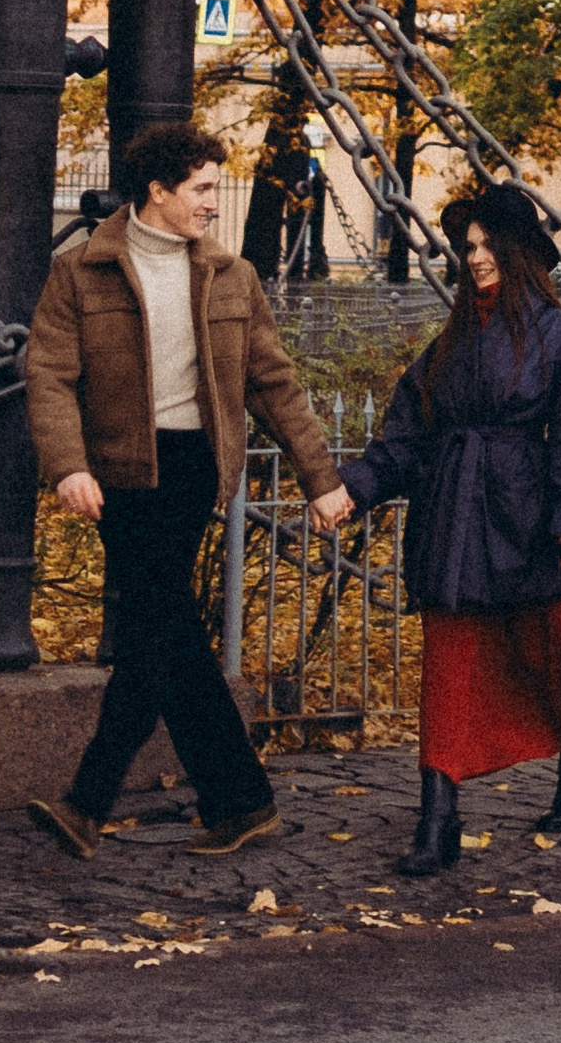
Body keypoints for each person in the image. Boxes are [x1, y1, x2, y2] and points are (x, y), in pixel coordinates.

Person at [23, 118, 353, 859]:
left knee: (155, 627)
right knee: (164, 636)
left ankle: (89, 802)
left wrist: (321, 479)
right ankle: (238, 800)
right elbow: (49, 377)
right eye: (201, 189)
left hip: (194, 470)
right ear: (158, 190)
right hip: (119, 473)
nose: (212, 202)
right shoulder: (81, 272)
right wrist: (69, 464)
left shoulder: (230, 275)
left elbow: (275, 384)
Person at [340, 183, 561, 877]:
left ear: (518, 252)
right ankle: (438, 818)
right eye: (468, 248)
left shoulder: (558, 335)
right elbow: (405, 439)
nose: (476, 257)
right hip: (452, 522)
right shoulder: (451, 341)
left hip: (528, 521)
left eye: (488, 245)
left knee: (551, 654)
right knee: (449, 666)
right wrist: (353, 488)